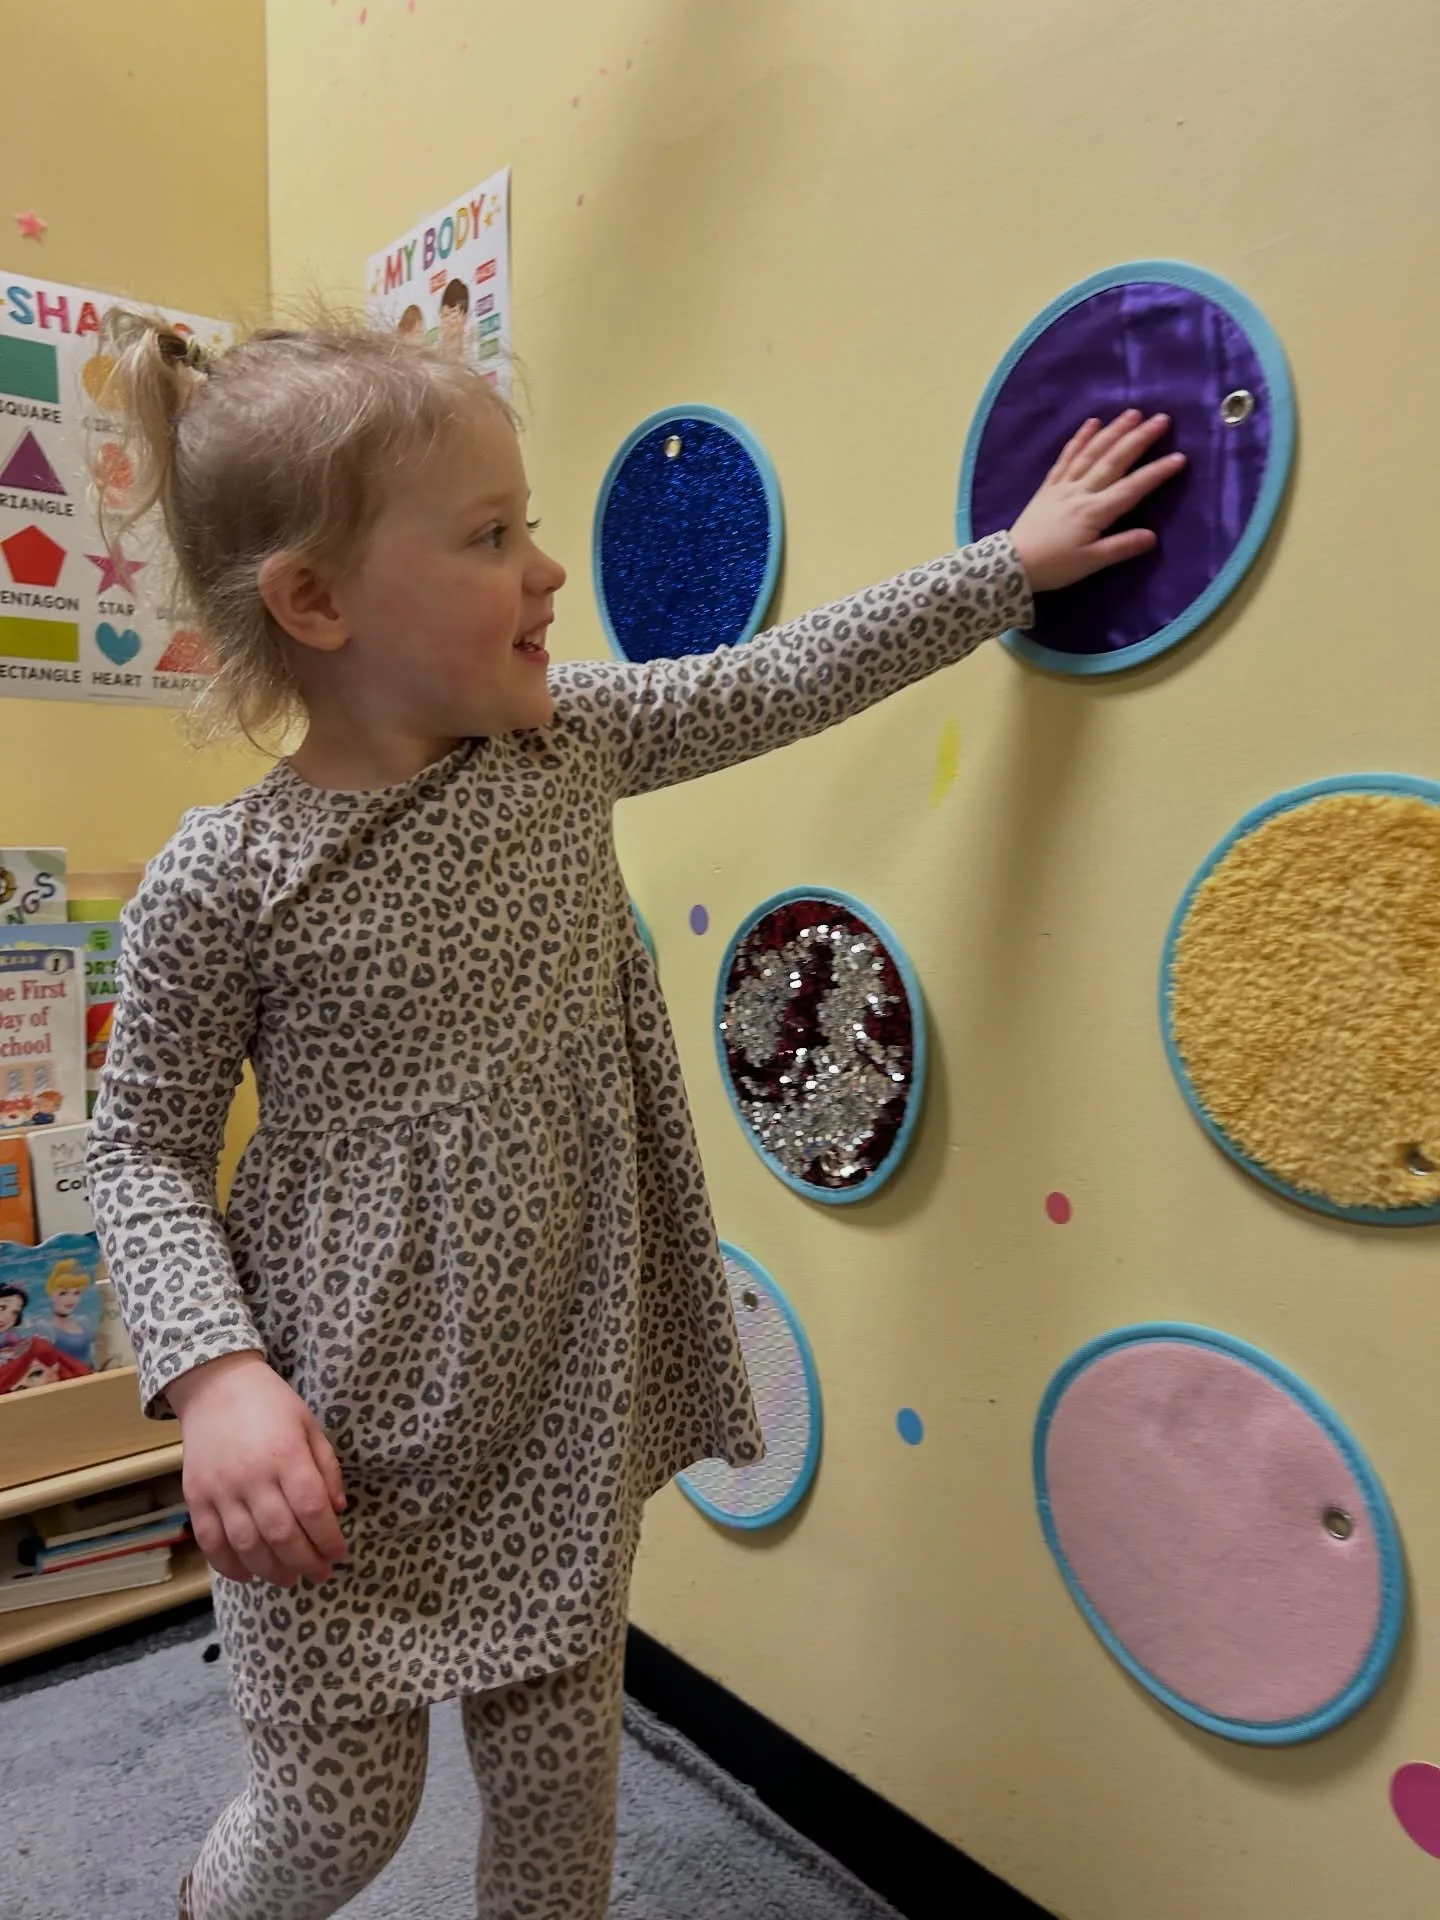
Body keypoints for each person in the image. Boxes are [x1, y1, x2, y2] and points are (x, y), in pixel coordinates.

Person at [86, 308, 1183, 1920]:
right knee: (338, 1825)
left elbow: (783, 676)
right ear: (315, 603)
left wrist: (1009, 565)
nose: (548, 572)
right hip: (333, 1446)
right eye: (488, 537)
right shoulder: (221, 880)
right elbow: (143, 1149)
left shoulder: (566, 741)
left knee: (556, 1822)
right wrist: (220, 1380)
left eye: (528, 525)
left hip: (557, 1402)